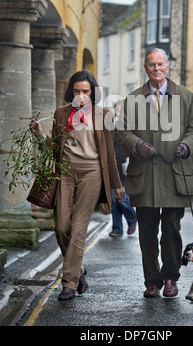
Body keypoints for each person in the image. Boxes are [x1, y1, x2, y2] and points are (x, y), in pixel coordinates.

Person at [116, 48, 193, 298]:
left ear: (168, 67)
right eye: (152, 64)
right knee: (146, 232)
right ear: (145, 68)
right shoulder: (133, 99)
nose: (157, 68)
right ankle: (152, 281)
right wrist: (138, 144)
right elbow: (121, 132)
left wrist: (187, 146)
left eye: (161, 64)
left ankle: (170, 278)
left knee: (171, 230)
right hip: (144, 178)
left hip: (177, 177)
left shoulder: (186, 97)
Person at [31, 70, 124, 300]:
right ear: (70, 92)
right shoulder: (61, 113)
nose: (81, 95)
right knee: (62, 226)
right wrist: (40, 136)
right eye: (77, 91)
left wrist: (117, 185)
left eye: (85, 91)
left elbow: (110, 154)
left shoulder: (104, 115)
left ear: (92, 93)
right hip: (64, 171)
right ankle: (78, 270)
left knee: (79, 227)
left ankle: (69, 282)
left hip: (92, 173)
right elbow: (54, 147)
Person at [109, 101, 137, 237]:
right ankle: (117, 228)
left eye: (121, 112)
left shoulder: (131, 128)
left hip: (125, 166)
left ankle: (132, 219)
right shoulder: (111, 128)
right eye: (116, 111)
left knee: (123, 198)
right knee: (114, 200)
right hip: (113, 167)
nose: (118, 114)